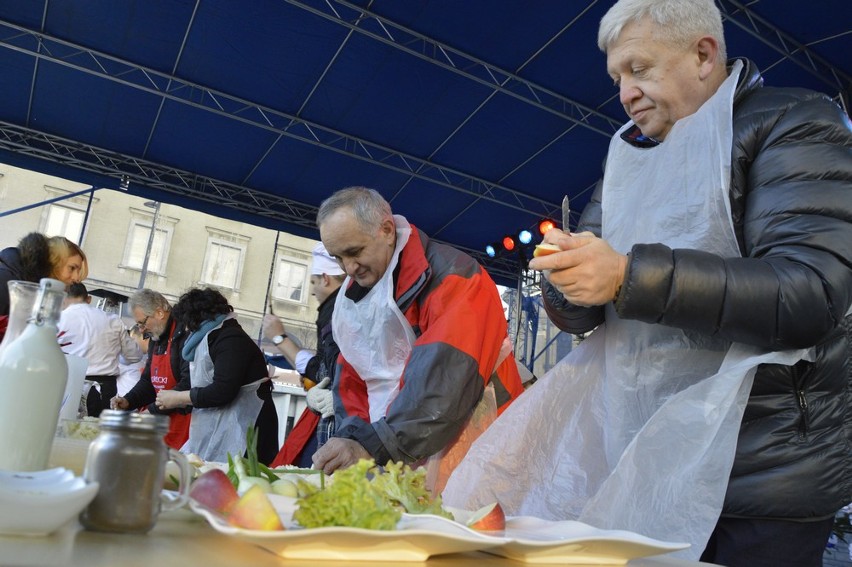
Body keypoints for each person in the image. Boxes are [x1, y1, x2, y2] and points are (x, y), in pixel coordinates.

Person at [444, 2, 852, 567]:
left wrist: (627, 275)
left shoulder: (795, 123)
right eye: (617, 78)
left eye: (639, 69)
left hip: (760, 475)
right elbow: (587, 315)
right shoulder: (628, 160)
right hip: (641, 460)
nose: (625, 94)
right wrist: (567, 281)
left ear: (703, 54)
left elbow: (811, 292)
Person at [312, 186, 525, 491]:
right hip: (398, 450)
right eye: (337, 258)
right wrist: (353, 436)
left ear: (386, 230)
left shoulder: (457, 278)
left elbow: (443, 385)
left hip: (479, 442)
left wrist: (373, 444)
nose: (348, 268)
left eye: (354, 252)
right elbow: (354, 377)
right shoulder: (353, 299)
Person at [155, 287, 278, 465]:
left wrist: (179, 398)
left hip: (248, 425)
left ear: (194, 320)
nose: (187, 330)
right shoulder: (214, 337)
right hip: (224, 422)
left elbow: (223, 390)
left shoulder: (230, 338)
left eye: (186, 324)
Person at [266, 243, 346, 468]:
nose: (311, 290)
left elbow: (322, 370)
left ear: (325, 278)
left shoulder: (336, 310)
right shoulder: (338, 307)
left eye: (312, 282)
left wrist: (280, 338)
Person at [111, 289, 192, 450]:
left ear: (160, 313)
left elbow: (188, 383)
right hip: (160, 425)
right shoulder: (156, 337)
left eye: (142, 322)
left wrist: (150, 412)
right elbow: (148, 380)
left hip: (183, 425)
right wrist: (128, 401)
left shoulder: (185, 335)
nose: (141, 330)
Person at [57, 283, 143, 417]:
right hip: (105, 389)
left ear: (63, 299)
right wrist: (116, 356)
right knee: (97, 434)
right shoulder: (113, 320)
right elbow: (134, 356)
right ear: (89, 299)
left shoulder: (59, 319)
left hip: (69, 385)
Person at [0, 232, 88, 339]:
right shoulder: (6, 280)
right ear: (55, 261)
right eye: (72, 268)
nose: (76, 278)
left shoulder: (28, 286)